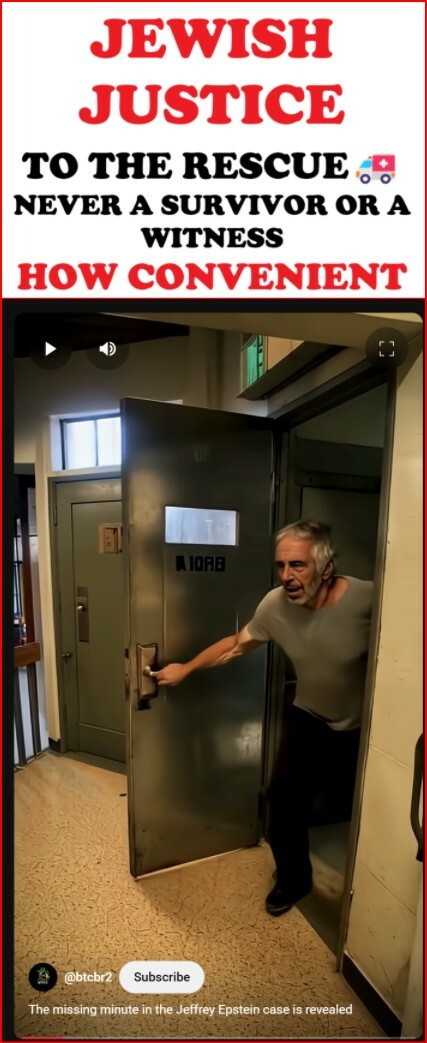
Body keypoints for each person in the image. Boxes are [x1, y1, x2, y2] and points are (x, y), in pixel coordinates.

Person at [155, 520, 373, 917]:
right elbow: (237, 645)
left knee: (369, 806)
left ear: (327, 567)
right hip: (309, 716)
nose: (286, 576)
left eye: (298, 565)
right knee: (282, 800)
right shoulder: (275, 605)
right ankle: (294, 879)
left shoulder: (367, 598)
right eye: (281, 565)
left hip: (366, 728)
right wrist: (186, 668)